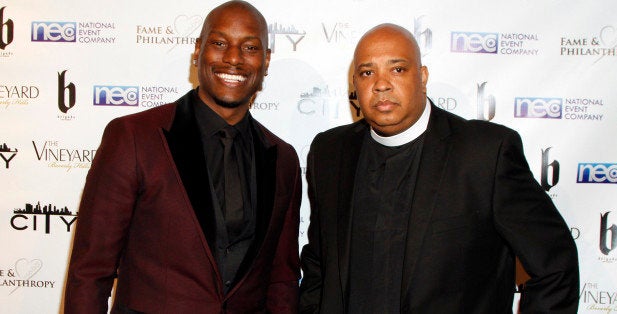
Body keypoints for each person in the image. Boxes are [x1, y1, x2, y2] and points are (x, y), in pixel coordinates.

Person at [299, 23, 579, 313]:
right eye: (367, 72)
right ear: (354, 84)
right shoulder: (329, 152)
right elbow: (319, 265)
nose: (381, 84)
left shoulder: (485, 153)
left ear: (422, 77)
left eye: (397, 69)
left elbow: (556, 266)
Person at [64, 1, 301, 313]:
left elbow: (281, 281)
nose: (233, 58)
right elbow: (90, 272)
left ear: (266, 60)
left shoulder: (282, 158)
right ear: (198, 50)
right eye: (219, 43)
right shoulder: (135, 137)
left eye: (250, 47)